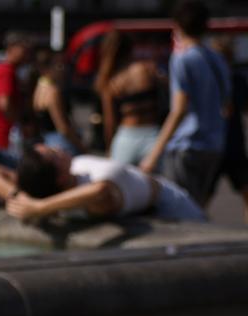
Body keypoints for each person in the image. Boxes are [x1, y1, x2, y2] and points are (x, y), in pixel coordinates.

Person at [139, 0, 230, 207]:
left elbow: (178, 110)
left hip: (187, 144)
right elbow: (227, 102)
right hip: (214, 143)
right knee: (197, 206)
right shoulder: (217, 58)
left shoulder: (182, 59)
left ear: (177, 25)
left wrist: (154, 154)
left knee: (178, 208)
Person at [0, 144, 205, 223]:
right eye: (54, 154)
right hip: (168, 208)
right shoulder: (95, 190)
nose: (59, 149)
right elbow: (101, 191)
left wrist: (32, 204)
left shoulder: (58, 190)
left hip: (171, 203)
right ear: (61, 178)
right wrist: (32, 203)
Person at [94, 30, 164, 167]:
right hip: (153, 135)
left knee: (122, 185)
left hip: (125, 137)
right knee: (155, 185)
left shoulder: (111, 81)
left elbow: (110, 122)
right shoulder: (147, 69)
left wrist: (110, 148)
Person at [209, 35, 248, 221]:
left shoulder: (236, 81)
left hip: (232, 145)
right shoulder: (208, 82)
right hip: (213, 146)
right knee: (201, 197)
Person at [0, 31, 30, 167]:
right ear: (11, 49)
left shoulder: (3, 70)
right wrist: (19, 124)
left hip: (2, 134)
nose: (27, 53)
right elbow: (5, 104)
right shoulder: (5, 72)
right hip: (5, 135)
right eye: (23, 48)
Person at [28, 47, 84, 156]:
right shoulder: (53, 91)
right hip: (60, 143)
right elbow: (63, 127)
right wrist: (81, 147)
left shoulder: (39, 87)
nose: (63, 69)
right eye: (59, 66)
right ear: (46, 69)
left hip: (46, 139)